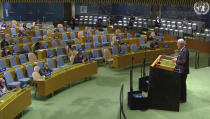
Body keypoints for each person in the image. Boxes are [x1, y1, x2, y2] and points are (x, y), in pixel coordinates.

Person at [172, 38, 189, 103]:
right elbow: (181, 58)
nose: (177, 45)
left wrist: (176, 60)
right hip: (181, 70)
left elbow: (184, 61)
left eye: (177, 43)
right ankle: (181, 97)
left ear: (181, 44)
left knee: (182, 85)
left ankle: (183, 99)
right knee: (181, 85)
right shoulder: (183, 49)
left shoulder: (185, 50)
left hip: (183, 71)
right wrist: (177, 58)